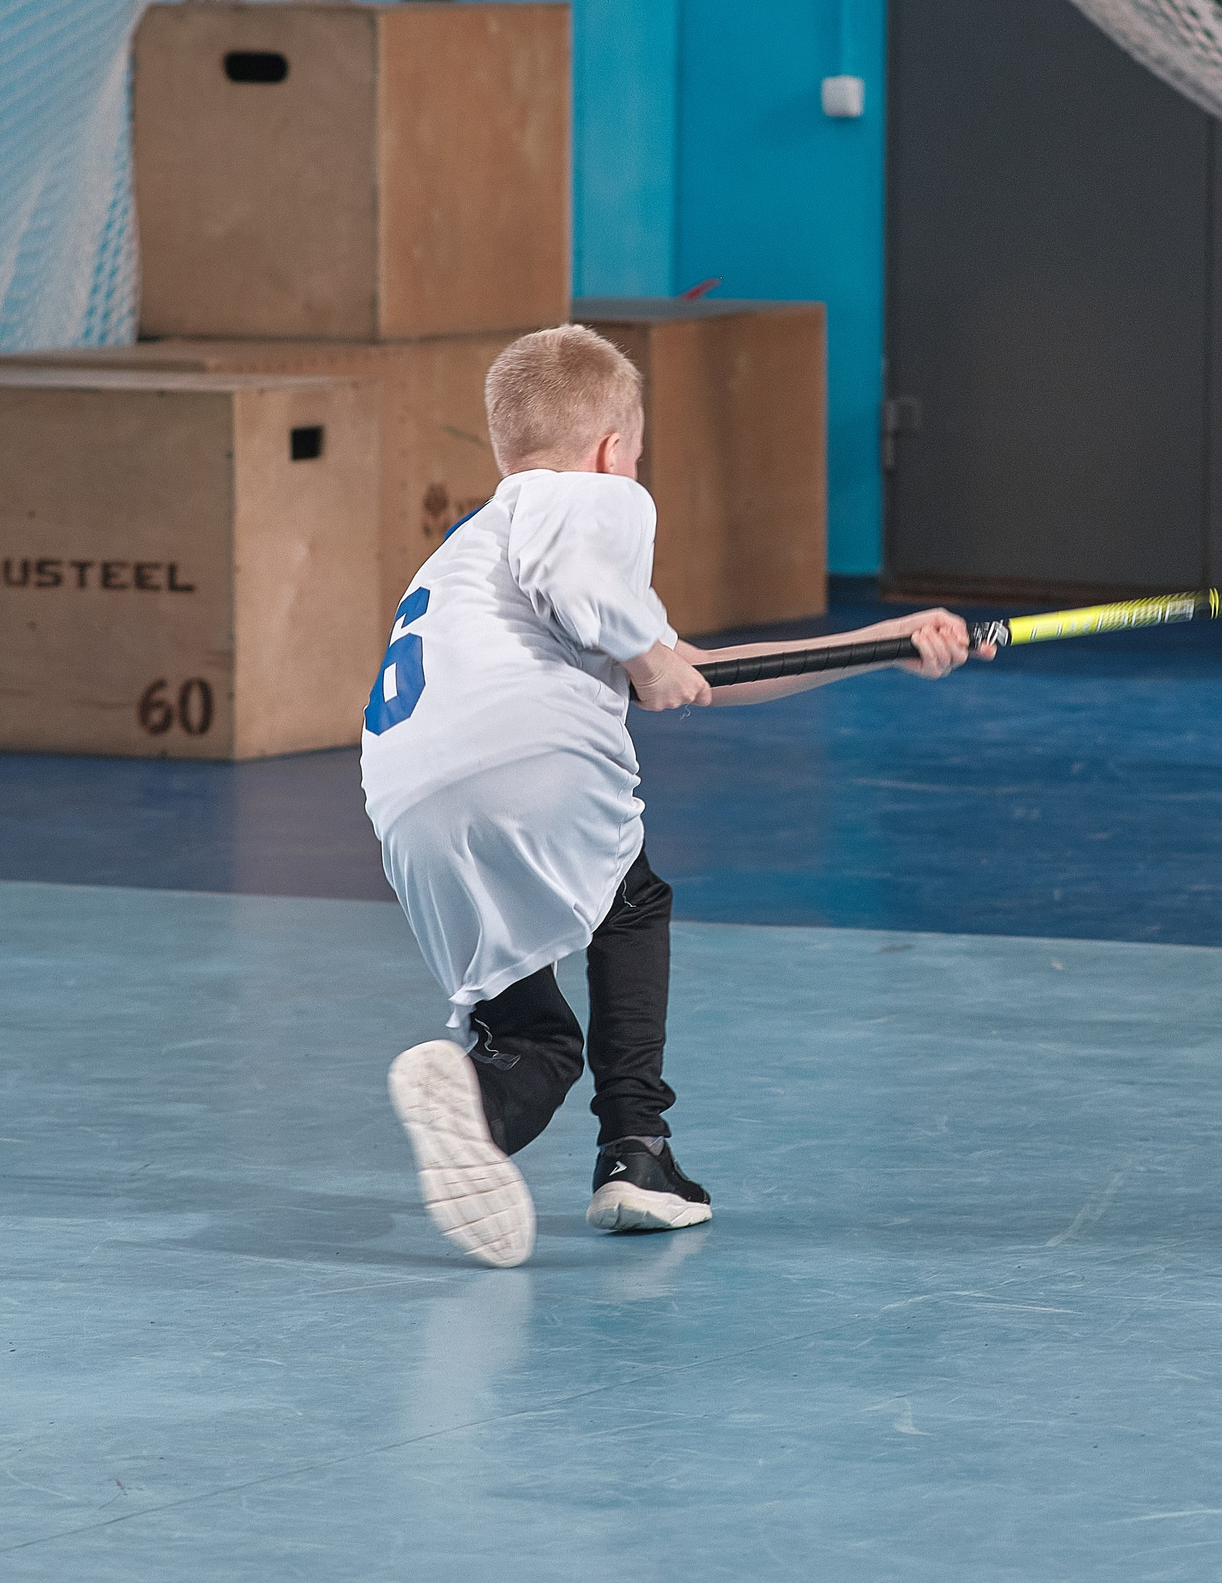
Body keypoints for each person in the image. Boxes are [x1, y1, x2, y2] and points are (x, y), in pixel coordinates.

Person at [363, 324, 987, 1266]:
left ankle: (475, 1095)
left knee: (533, 1035)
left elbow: (700, 673)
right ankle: (637, 1153)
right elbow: (616, 616)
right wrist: (646, 654)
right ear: (614, 449)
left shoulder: (469, 551)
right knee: (633, 898)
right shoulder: (580, 499)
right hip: (525, 759)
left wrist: (885, 643)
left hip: (406, 803)